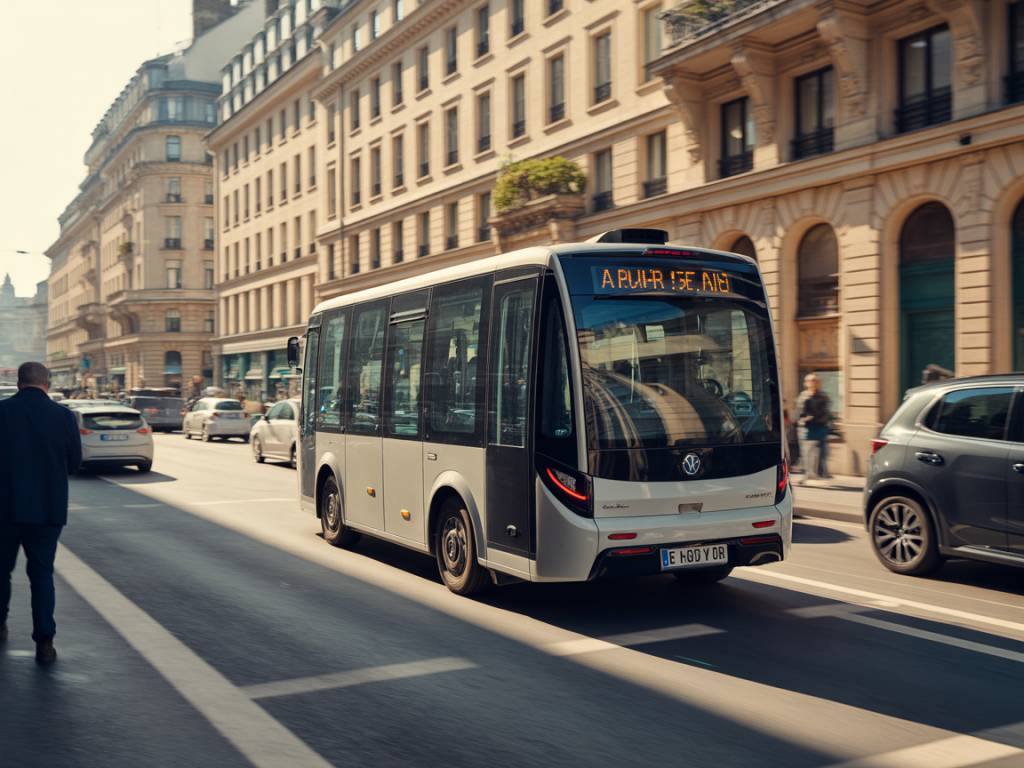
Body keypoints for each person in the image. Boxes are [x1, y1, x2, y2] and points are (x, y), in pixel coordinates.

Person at [0, 362, 82, 665]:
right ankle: (45, 642)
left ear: (19, 383)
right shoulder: (63, 416)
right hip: (48, 509)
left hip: (5, 509)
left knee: (1, 571)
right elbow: (75, 463)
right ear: (47, 383)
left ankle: (0, 625)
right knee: (42, 574)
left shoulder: (2, 412)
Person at [796, 374, 832, 481]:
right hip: (807, 428)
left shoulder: (823, 396)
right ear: (806, 383)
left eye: (815, 381)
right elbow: (800, 412)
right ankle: (807, 474)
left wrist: (816, 418)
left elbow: (825, 411)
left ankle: (821, 472)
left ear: (819, 383)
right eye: (811, 381)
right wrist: (803, 419)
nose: (813, 383)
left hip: (820, 427)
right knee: (806, 452)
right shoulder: (803, 396)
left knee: (822, 452)